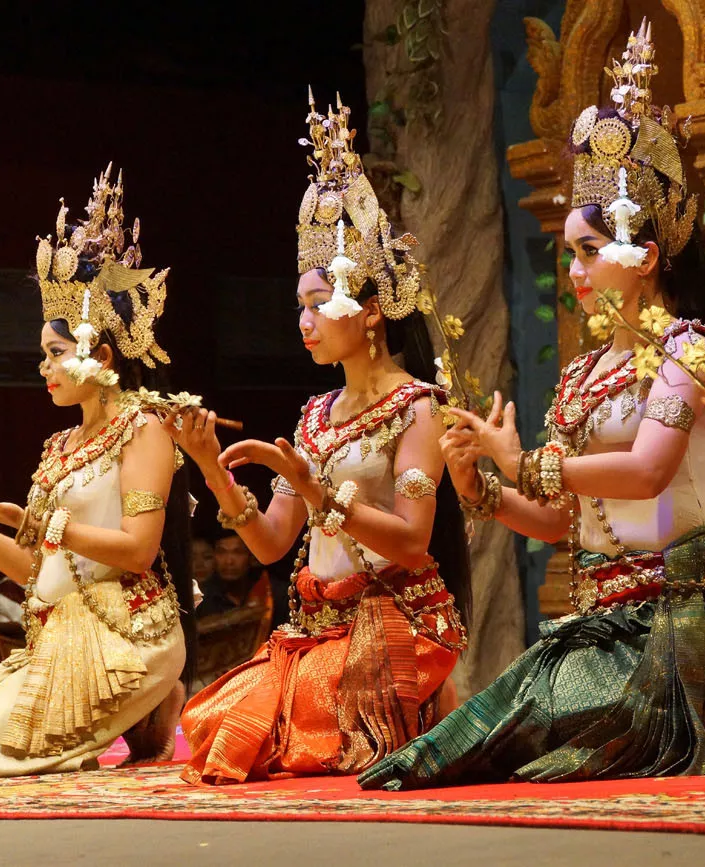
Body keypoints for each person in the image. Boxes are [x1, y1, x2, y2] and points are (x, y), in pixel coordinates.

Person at [358, 21, 705, 793]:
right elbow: (560, 520)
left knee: (566, 736)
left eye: (585, 250)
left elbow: (645, 475)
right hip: (605, 619)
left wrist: (526, 460)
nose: (572, 268)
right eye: (569, 250)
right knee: (488, 733)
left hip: (684, 602)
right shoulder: (582, 376)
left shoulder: (689, 349)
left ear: (643, 256)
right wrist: (482, 485)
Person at [172, 91, 471, 785]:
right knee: (215, 725)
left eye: (316, 304)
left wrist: (315, 489)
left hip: (388, 623)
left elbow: (412, 540)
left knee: (285, 741)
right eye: (298, 307)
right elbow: (276, 543)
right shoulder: (315, 413)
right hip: (316, 628)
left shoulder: (418, 407)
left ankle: (421, 700)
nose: (303, 321)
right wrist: (211, 472)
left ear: (370, 311)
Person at [0, 167, 196, 779]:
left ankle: (158, 692)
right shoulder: (60, 444)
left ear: (104, 355)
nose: (44, 367)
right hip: (60, 642)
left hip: (121, 643)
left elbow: (139, 552)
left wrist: (47, 525)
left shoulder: (144, 428)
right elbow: (42, 570)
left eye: (56, 353)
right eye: (44, 354)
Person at [196, 533, 268, 619]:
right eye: (221, 552)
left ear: (252, 557)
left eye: (238, 552)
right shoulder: (199, 598)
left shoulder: (269, 591)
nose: (229, 561)